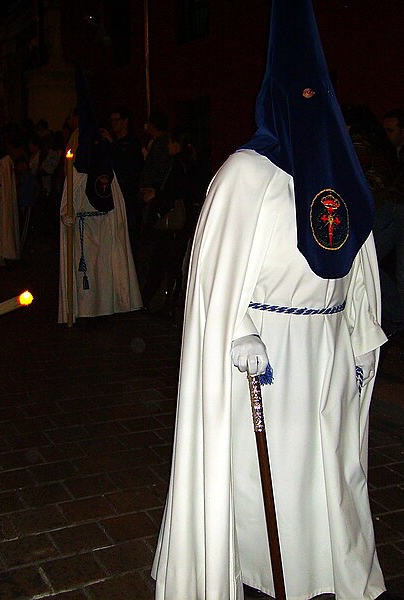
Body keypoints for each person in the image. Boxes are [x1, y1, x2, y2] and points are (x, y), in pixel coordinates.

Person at [152, 1, 388, 599]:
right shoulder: (245, 175)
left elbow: (357, 262)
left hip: (331, 356)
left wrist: (362, 334)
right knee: (272, 490)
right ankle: (257, 577)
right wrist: (237, 331)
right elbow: (215, 282)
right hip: (269, 367)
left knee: (329, 476)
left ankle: (329, 576)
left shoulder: (339, 175)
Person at [58, 67, 141, 322]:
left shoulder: (107, 170)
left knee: (103, 272)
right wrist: (67, 217)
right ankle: (82, 312)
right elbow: (66, 202)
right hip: (83, 229)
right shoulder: (77, 171)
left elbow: (116, 205)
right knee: (86, 274)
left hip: (103, 229)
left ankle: (106, 309)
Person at [140, 127, 202, 318]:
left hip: (174, 222)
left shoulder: (178, 163)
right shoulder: (192, 162)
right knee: (174, 263)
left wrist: (156, 198)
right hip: (186, 221)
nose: (167, 146)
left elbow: (174, 191)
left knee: (163, 262)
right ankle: (170, 304)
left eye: (169, 143)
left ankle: (156, 303)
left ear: (176, 144)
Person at [101, 106, 145, 266]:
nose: (113, 124)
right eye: (111, 120)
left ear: (125, 121)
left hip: (128, 197)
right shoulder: (112, 144)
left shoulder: (132, 143)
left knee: (129, 234)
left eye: (116, 120)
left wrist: (113, 145)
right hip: (112, 196)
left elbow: (130, 167)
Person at [373, 108, 404, 334]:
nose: (387, 134)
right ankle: (396, 315)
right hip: (391, 208)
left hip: (396, 209)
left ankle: (397, 318)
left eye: (391, 130)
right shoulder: (388, 151)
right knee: (368, 261)